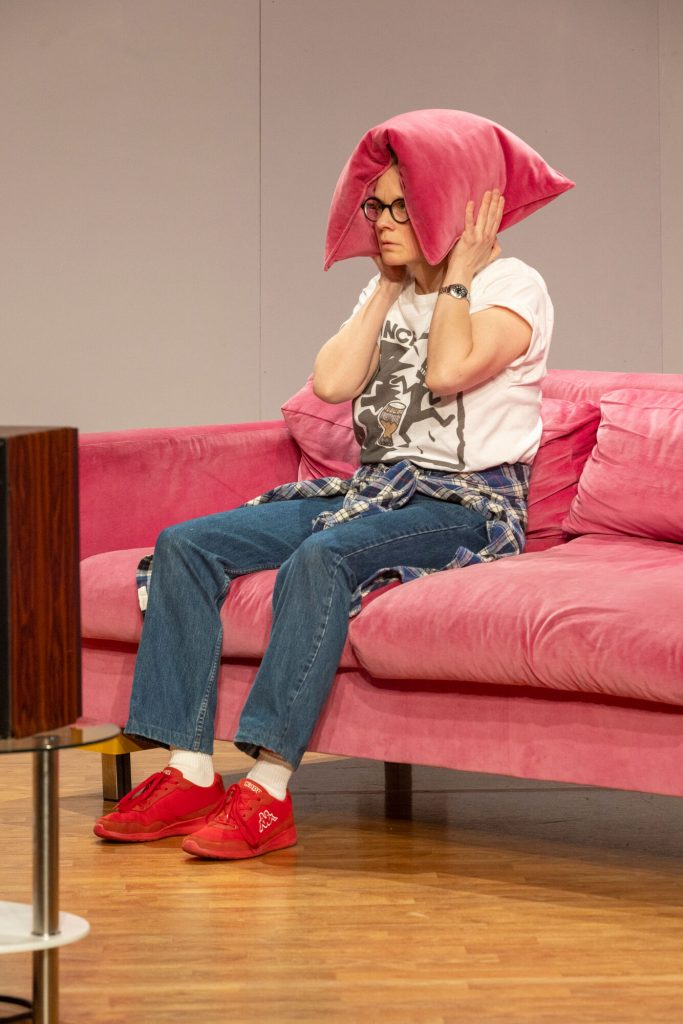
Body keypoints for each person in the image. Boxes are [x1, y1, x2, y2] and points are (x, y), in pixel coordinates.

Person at [94, 155, 553, 860]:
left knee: (323, 558)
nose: (381, 223)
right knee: (185, 545)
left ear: (446, 208)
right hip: (375, 488)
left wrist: (456, 275)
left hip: (466, 501)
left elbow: (447, 371)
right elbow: (332, 383)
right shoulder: (387, 287)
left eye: (401, 208)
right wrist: (387, 286)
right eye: (375, 207)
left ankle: (268, 789)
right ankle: (189, 772)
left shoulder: (513, 285)